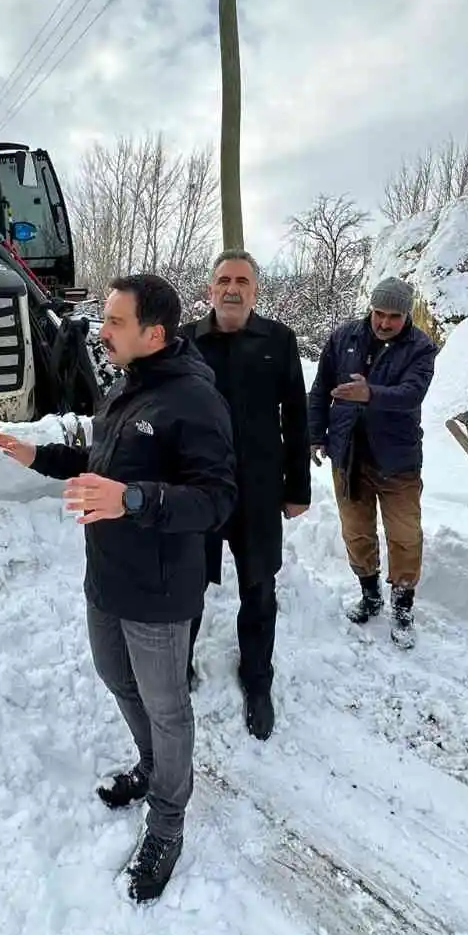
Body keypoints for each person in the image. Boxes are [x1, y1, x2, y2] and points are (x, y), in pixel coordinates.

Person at [0, 273, 235, 903]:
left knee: (167, 706)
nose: (102, 331)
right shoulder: (128, 385)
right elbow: (103, 463)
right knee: (115, 677)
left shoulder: (194, 401)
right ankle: (153, 766)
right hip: (107, 577)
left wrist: (133, 499)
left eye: (116, 322)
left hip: (158, 587)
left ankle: (169, 819)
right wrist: (38, 457)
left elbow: (215, 501)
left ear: (154, 333)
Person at [179, 250, 311, 740]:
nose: (232, 288)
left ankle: (258, 678)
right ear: (209, 288)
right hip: (197, 487)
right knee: (187, 581)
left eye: (242, 281)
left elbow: (296, 417)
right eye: (223, 280)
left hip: (258, 488)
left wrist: (297, 488)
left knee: (259, 587)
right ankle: (178, 668)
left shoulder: (279, 341)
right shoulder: (185, 342)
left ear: (256, 290)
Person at [308, 277, 437, 645]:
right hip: (348, 454)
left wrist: (370, 394)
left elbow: (412, 394)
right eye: (379, 313)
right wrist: (316, 435)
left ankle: (402, 604)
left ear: (406, 315)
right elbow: (320, 389)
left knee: (405, 536)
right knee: (356, 531)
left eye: (393, 317)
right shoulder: (344, 337)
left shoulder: (421, 347)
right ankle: (370, 593)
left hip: (397, 460)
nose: (384, 323)